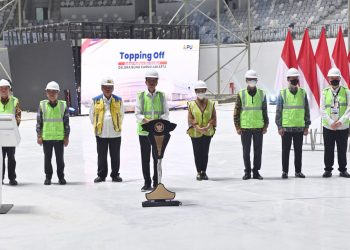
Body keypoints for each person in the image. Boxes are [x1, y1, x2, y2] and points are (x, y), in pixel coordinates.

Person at [135, 69, 169, 192]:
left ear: (157, 82)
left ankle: (156, 182)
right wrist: (147, 121)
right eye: (149, 80)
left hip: (158, 133)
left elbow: (166, 113)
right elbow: (137, 114)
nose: (151, 82)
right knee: (145, 158)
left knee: (157, 158)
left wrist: (158, 122)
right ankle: (147, 182)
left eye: (154, 80)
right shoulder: (140, 96)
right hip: (144, 132)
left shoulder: (161, 96)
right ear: (145, 81)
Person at [275, 68, 310, 179]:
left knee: (298, 151)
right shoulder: (283, 93)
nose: (295, 80)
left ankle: (298, 171)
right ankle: (285, 171)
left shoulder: (303, 93)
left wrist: (306, 126)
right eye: (292, 79)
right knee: (285, 151)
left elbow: (306, 110)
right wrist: (279, 126)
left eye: (296, 78)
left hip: (299, 127)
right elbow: (278, 111)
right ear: (288, 79)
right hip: (286, 128)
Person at [234, 70, 268, 180]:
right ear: (246, 80)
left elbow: (264, 110)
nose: (252, 81)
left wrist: (265, 125)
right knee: (246, 151)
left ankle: (256, 171)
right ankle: (247, 171)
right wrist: (237, 127)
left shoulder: (262, 93)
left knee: (258, 151)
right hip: (245, 127)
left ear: (257, 80)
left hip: (258, 127)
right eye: (250, 80)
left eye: (253, 79)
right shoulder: (241, 94)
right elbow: (236, 111)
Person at [89, 77, 123, 183]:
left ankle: (115, 175)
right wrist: (98, 125)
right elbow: (91, 115)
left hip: (115, 133)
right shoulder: (95, 100)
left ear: (113, 88)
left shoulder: (118, 100)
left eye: (110, 87)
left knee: (115, 155)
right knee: (102, 156)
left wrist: (115, 124)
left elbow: (122, 115)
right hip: (101, 133)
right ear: (101, 88)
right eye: (105, 87)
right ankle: (101, 175)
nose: (108, 89)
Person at [36, 81, 70, 185]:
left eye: (54, 92)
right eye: (49, 91)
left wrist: (66, 137)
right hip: (46, 138)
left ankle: (61, 177)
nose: (51, 94)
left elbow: (66, 123)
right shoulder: (42, 105)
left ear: (57, 93)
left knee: (60, 160)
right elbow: (39, 122)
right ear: (46, 93)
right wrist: (39, 135)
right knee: (47, 160)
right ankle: (48, 177)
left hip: (59, 138)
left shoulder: (63, 105)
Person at [321, 67, 350, 178]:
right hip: (328, 127)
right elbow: (322, 109)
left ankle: (343, 170)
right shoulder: (325, 92)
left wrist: (340, 122)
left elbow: (349, 108)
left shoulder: (346, 92)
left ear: (340, 78)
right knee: (328, 149)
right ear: (329, 79)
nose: (334, 80)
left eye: (336, 78)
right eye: (332, 78)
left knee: (342, 149)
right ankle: (328, 169)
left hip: (342, 127)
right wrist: (331, 122)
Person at [187, 80, 216, 181]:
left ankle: (204, 171)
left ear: (205, 90)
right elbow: (190, 118)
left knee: (205, 153)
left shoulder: (211, 104)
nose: (200, 92)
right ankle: (199, 172)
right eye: (198, 91)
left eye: (202, 90)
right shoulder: (191, 104)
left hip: (207, 132)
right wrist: (198, 127)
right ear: (195, 91)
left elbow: (213, 117)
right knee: (197, 153)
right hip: (195, 133)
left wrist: (208, 126)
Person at [0, 79, 21, 185]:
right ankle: (1, 178)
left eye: (6, 88)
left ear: (9, 89)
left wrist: (11, 128)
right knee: (0, 158)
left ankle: (12, 178)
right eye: (1, 89)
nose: (3, 90)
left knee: (11, 158)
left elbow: (18, 118)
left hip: (11, 135)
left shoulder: (15, 101)